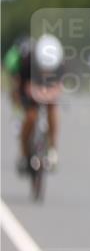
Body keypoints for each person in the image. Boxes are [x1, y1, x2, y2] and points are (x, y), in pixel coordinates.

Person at [10, 34, 65, 173]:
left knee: (52, 108)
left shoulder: (60, 64)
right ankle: (23, 153)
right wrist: (29, 94)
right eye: (43, 68)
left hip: (47, 88)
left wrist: (49, 94)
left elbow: (59, 86)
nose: (46, 72)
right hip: (30, 88)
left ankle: (52, 148)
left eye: (49, 69)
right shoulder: (27, 60)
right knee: (30, 117)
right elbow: (20, 87)